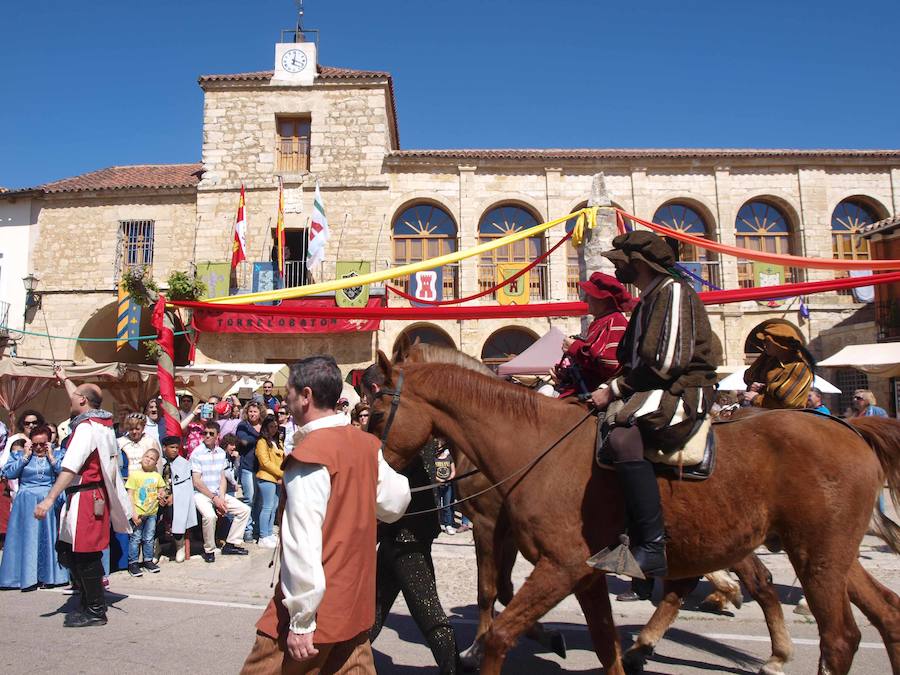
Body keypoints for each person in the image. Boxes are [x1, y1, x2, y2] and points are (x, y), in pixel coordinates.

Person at [242, 355, 410, 674]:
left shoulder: (310, 455)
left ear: (306, 396)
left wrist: (301, 620)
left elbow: (302, 543)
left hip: (319, 610)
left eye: (290, 393)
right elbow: (395, 502)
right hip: (354, 603)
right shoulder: (366, 445)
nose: (286, 401)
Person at [590, 231, 719, 578]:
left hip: (682, 388)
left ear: (639, 263)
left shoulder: (673, 292)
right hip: (653, 385)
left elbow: (666, 362)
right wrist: (608, 387)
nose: (616, 268)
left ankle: (651, 545)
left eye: (620, 262)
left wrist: (615, 389)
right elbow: (632, 361)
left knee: (623, 438)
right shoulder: (648, 298)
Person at [362, 364, 460, 675]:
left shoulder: (394, 426)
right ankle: (347, 662)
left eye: (367, 396)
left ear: (374, 390)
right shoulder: (416, 420)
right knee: (375, 606)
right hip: (408, 527)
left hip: (407, 530)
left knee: (426, 607)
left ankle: (453, 667)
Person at [34, 366, 132, 628]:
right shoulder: (100, 423)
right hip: (85, 495)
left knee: (85, 554)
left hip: (87, 498)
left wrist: (49, 499)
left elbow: (70, 467)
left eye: (74, 396)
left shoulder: (87, 429)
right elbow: (80, 397)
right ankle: (88, 601)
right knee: (70, 551)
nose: (71, 398)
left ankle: (96, 610)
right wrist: (65, 378)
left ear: (82, 401)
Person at [0, 428, 68, 590]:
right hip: (26, 501)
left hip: (48, 499)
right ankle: (20, 577)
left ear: (49, 442)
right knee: (27, 537)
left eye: (42, 444)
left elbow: (64, 474)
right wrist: (25, 457)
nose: (38, 447)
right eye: (35, 444)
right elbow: (9, 473)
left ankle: (48, 575)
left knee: (47, 538)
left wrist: (51, 457)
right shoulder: (19, 455)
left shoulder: (58, 455)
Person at [554, 272, 633, 398]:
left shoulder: (616, 321)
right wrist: (566, 375)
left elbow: (610, 364)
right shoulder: (602, 321)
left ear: (603, 299)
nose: (585, 300)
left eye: (589, 295)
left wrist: (574, 347)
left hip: (596, 396)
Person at [191, 421, 251, 562]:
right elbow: (197, 481)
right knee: (210, 516)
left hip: (218, 493)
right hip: (201, 494)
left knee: (244, 510)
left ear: (217, 435)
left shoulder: (221, 453)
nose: (207, 436)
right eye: (205, 433)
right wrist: (214, 499)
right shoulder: (197, 453)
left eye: (211, 433)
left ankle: (231, 543)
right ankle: (209, 550)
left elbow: (222, 477)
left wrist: (222, 498)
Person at [742, 319, 814, 410]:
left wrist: (756, 399)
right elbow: (749, 376)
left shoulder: (799, 367)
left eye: (767, 342)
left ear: (780, 344)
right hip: (766, 415)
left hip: (789, 417)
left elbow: (788, 402)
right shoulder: (771, 362)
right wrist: (754, 386)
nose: (764, 345)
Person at [156, 436, 197, 563]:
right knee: (153, 518)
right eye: (171, 447)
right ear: (164, 448)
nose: (174, 450)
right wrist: (159, 495)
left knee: (176, 514)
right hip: (159, 496)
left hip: (176, 498)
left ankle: (179, 546)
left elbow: (185, 485)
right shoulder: (159, 462)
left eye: (176, 448)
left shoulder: (184, 464)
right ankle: (156, 548)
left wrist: (174, 496)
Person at [125, 448, 165, 576]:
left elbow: (162, 490)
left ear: (156, 463)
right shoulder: (135, 475)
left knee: (149, 538)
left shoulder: (156, 476)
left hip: (152, 513)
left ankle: (148, 560)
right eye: (147, 456)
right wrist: (133, 513)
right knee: (135, 538)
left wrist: (161, 495)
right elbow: (130, 495)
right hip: (138, 513)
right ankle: (133, 563)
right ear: (142, 458)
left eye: (152, 459)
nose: (148, 460)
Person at [255, 416, 285, 549]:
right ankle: (263, 536)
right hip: (267, 477)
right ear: (266, 427)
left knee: (274, 506)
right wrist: (281, 473)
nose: (274, 429)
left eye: (275, 427)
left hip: (277, 478)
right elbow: (265, 462)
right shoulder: (262, 442)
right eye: (271, 426)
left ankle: (269, 532)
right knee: (267, 506)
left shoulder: (277, 441)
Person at [237, 402, 263, 543]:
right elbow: (244, 441)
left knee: (259, 500)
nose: (252, 414)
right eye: (250, 411)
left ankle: (257, 528)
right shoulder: (243, 426)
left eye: (255, 411)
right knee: (249, 499)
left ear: (260, 413)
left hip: (261, 467)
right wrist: (260, 436)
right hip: (248, 466)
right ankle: (247, 530)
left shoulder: (264, 425)